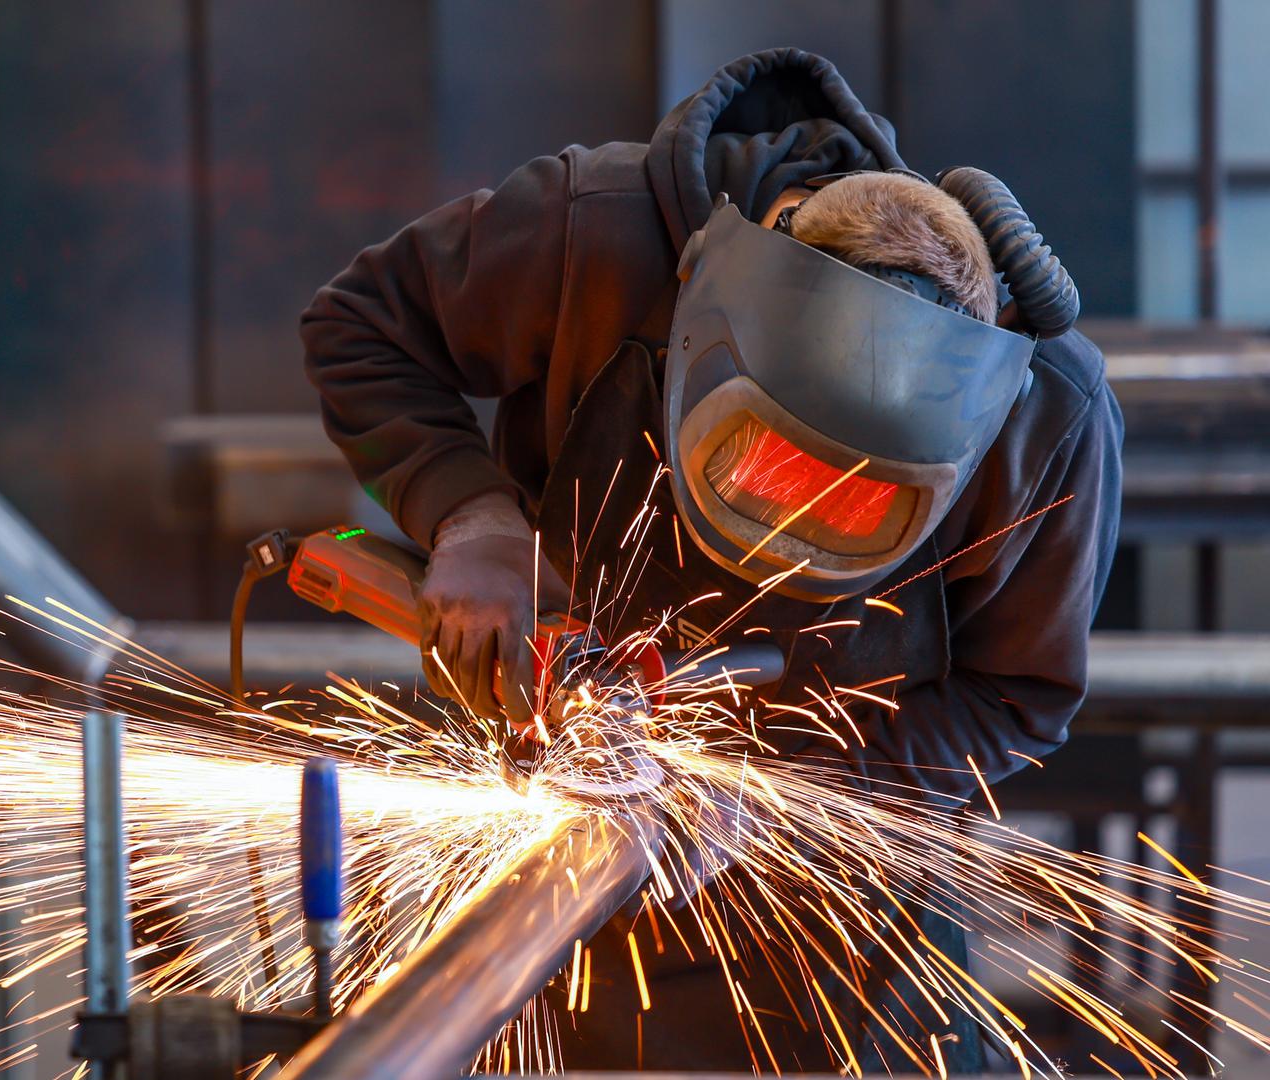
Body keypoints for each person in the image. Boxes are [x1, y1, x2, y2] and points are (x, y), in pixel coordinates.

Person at [300, 49, 1122, 1072]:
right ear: (710, 297)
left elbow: (1016, 699)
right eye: (769, 460)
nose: (787, 523)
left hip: (846, 922)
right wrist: (472, 519)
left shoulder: (1045, 415)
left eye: (846, 501)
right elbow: (362, 325)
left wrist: (782, 791)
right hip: (539, 852)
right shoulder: (593, 233)